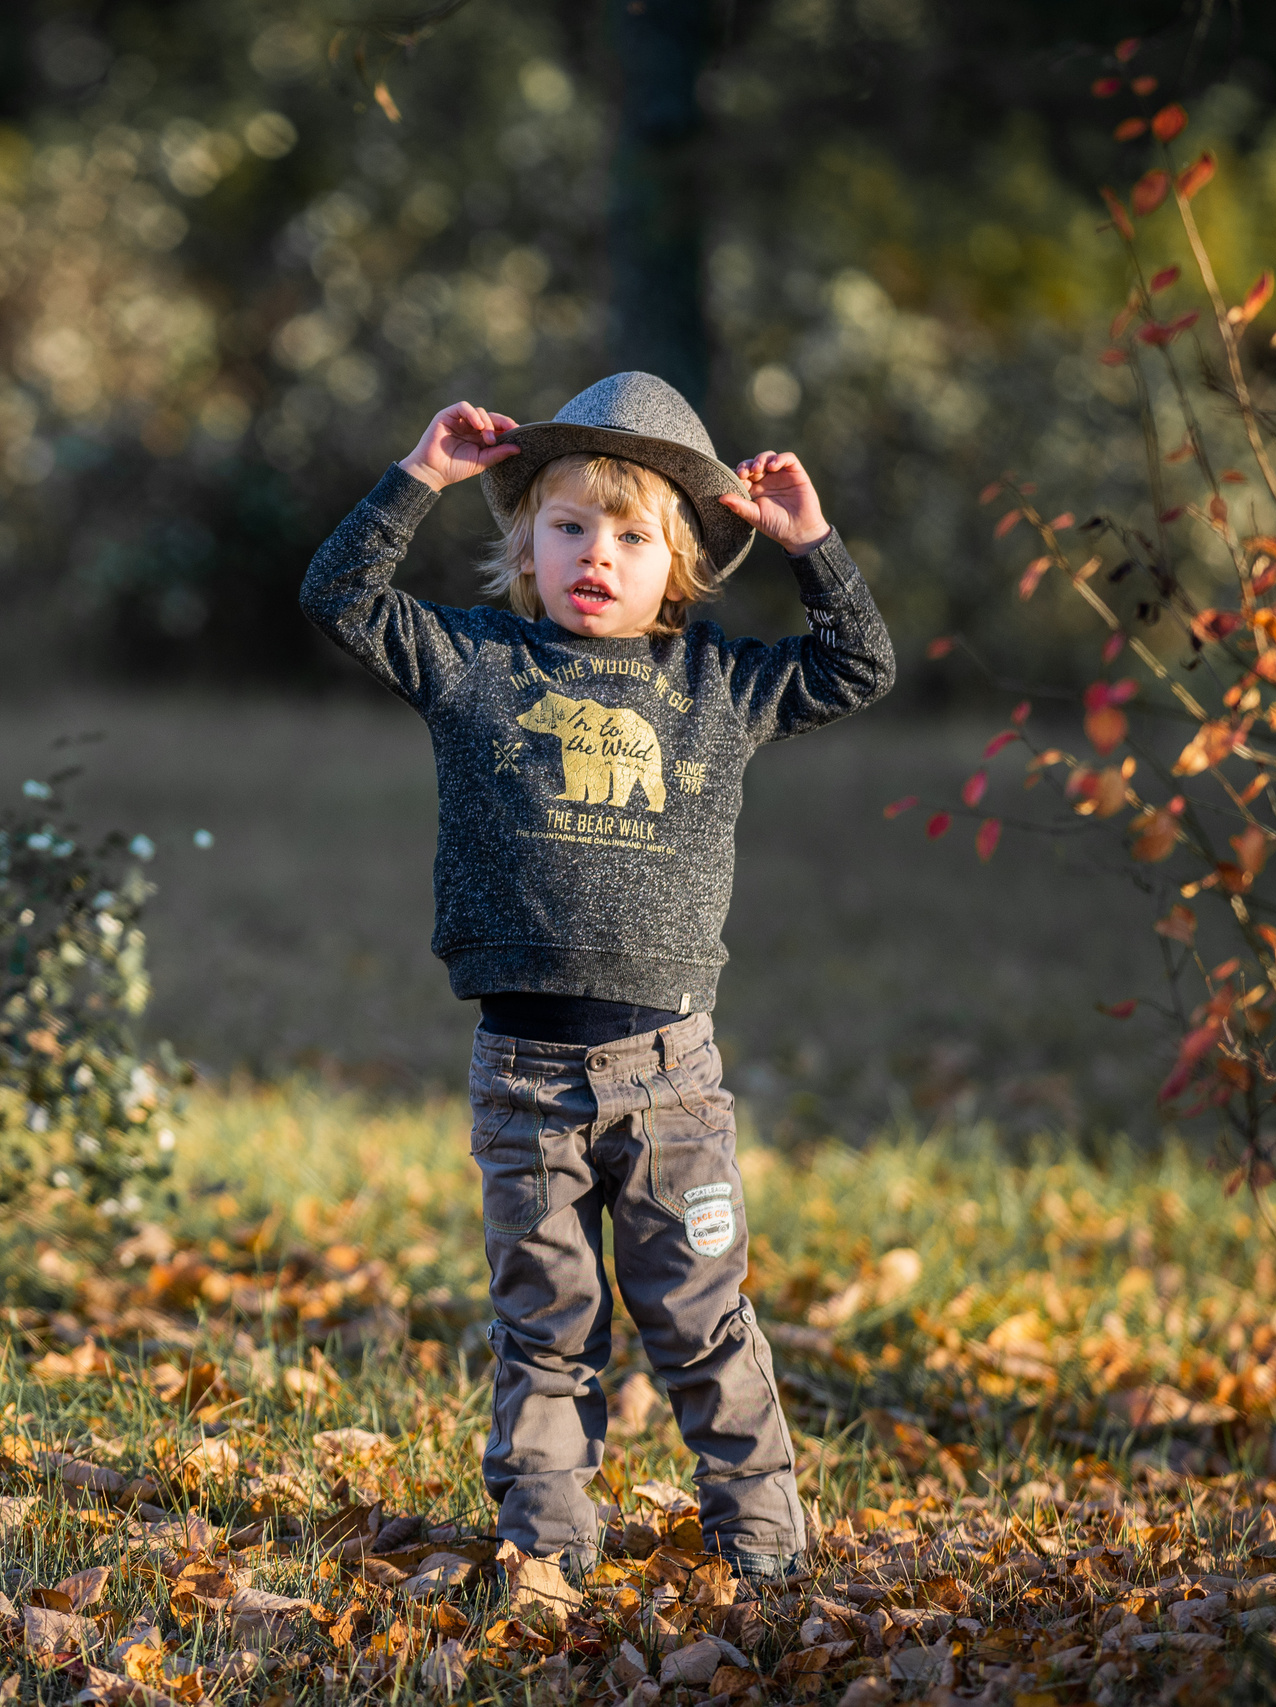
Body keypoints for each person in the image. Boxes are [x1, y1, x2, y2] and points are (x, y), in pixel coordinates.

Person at [298, 372, 894, 1579]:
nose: (596, 556)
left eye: (631, 538)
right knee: (545, 1328)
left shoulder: (718, 685)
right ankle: (547, 1555)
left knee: (700, 1321)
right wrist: (419, 477)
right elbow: (339, 597)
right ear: (525, 543)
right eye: (568, 526)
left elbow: (857, 667)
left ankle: (765, 1555)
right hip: (521, 1079)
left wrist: (811, 546)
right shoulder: (473, 663)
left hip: (671, 1080)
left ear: (679, 569)